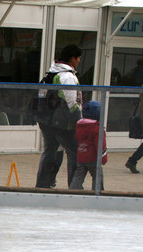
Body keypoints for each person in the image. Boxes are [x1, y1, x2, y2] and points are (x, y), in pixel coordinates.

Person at [35, 44, 83, 189]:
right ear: (73, 58)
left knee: (52, 150)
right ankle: (75, 186)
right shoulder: (67, 76)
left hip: (47, 119)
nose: (79, 61)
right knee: (74, 152)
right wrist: (79, 122)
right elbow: (72, 103)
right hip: (62, 123)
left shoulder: (52, 73)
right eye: (79, 58)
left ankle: (43, 184)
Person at [69, 100, 107, 191]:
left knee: (78, 175)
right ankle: (97, 193)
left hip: (81, 156)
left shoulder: (79, 126)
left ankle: (73, 190)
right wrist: (103, 158)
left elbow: (77, 138)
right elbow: (100, 145)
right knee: (97, 176)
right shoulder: (97, 128)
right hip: (93, 158)